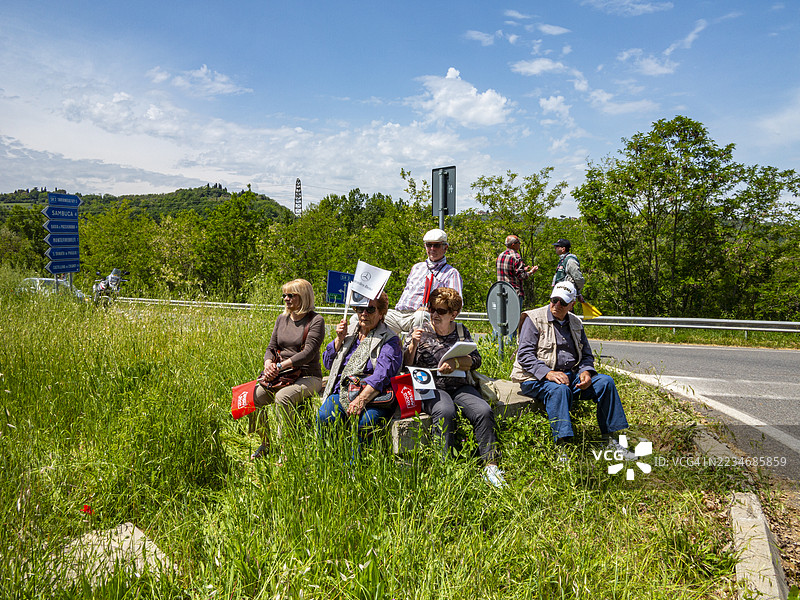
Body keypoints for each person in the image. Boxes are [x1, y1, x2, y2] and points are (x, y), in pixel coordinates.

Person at [511, 281, 636, 460]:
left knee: (605, 382)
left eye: (563, 302)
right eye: (554, 300)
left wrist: (586, 372)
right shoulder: (534, 319)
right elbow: (524, 356)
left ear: (572, 304)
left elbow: (586, 355)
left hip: (570, 376)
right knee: (559, 389)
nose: (557, 305)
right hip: (535, 378)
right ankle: (562, 447)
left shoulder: (576, 322)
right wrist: (548, 373)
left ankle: (610, 439)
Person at [404, 287, 505, 487]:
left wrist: (457, 363)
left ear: (453, 314)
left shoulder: (461, 331)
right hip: (431, 387)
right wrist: (412, 345)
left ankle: (491, 467)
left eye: (440, 311)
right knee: (445, 411)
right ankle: (444, 467)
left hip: (459, 385)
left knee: (483, 410)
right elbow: (405, 365)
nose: (434, 314)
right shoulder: (419, 331)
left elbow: (476, 360)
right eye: (432, 309)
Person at [250, 279, 325, 460]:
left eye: (291, 295)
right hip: (281, 374)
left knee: (282, 397)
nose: (286, 299)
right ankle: (265, 443)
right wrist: (268, 364)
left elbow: (308, 353)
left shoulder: (316, 320)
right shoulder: (281, 319)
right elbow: (271, 347)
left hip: (308, 376)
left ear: (304, 297)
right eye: (284, 295)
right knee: (253, 397)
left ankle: (287, 450)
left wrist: (279, 366)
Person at [317, 291, 403, 444]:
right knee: (325, 416)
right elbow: (328, 363)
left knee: (366, 422)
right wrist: (339, 339)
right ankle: (327, 460)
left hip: (373, 396)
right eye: (359, 308)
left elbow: (382, 375)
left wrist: (361, 399)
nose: (364, 313)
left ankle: (356, 464)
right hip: (342, 391)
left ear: (381, 313)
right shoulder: (349, 331)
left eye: (370, 309)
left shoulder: (390, 340)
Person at [384, 228, 463, 336]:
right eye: (429, 245)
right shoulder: (417, 267)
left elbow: (456, 304)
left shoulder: (451, 273)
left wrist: (432, 310)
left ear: (445, 248)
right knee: (369, 318)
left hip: (421, 315)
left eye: (437, 245)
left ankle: (414, 350)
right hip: (398, 314)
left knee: (421, 317)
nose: (432, 249)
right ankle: (374, 351)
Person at [496, 234, 538, 311]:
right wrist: (531, 272)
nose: (519, 244)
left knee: (503, 316)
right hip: (514, 292)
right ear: (513, 245)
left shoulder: (500, 255)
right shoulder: (516, 257)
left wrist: (523, 269)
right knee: (514, 317)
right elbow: (522, 276)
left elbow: (507, 271)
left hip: (501, 291)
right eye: (518, 242)